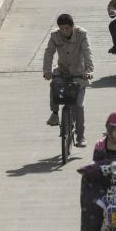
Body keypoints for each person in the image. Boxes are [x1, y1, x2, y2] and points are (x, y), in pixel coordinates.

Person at [43, 13, 93, 147]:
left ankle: (81, 136)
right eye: (62, 28)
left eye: (67, 28)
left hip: (79, 74)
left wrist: (88, 70)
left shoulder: (81, 35)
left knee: (78, 105)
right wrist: (46, 70)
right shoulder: (54, 36)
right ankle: (54, 114)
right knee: (54, 85)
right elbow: (49, 53)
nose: (64, 31)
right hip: (62, 71)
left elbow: (87, 52)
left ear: (72, 27)